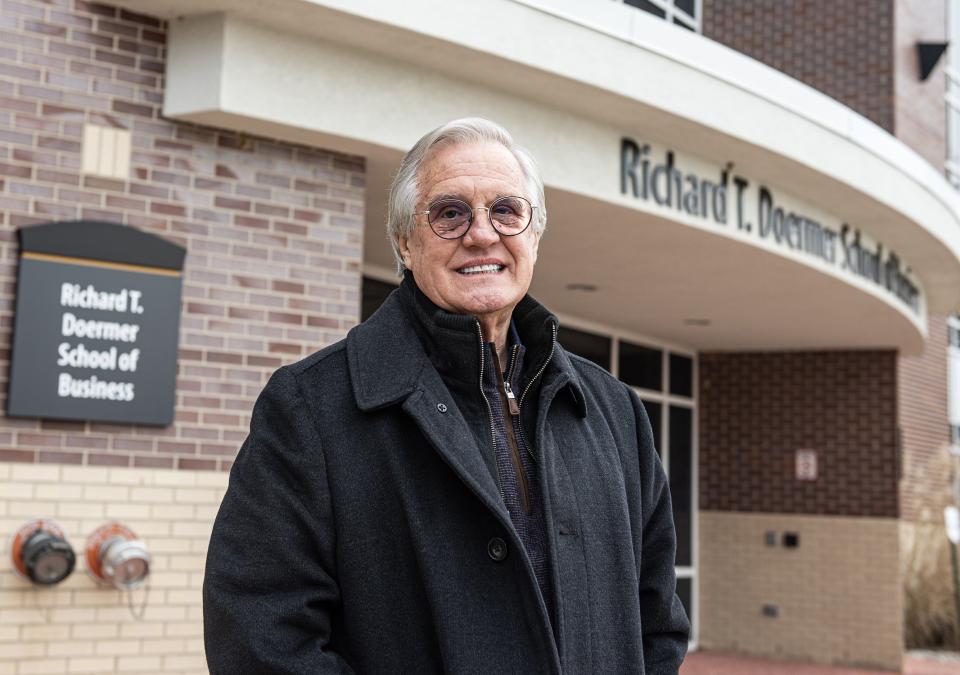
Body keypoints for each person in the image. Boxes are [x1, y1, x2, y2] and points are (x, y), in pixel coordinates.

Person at [204, 118, 689, 674]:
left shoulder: (613, 411)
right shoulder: (310, 408)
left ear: (533, 236)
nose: (482, 233)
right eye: (450, 213)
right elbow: (260, 638)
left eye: (506, 211)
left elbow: (658, 624)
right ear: (406, 242)